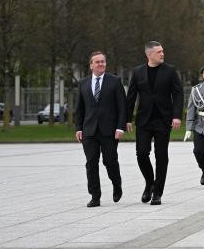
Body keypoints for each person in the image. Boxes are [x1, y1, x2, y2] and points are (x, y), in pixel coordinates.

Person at [126, 41, 184, 205]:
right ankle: (150, 183)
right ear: (149, 54)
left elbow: (178, 94)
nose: (162, 54)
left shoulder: (170, 71)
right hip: (144, 120)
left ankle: (157, 192)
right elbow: (131, 96)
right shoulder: (138, 72)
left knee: (161, 156)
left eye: (162, 51)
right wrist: (127, 118)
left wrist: (177, 116)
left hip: (163, 120)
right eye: (159, 52)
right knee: (142, 153)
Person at [74, 51, 127, 208]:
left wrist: (120, 127)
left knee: (109, 161)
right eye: (97, 62)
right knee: (91, 163)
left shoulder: (115, 81)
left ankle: (117, 185)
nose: (100, 64)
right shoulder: (83, 83)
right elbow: (79, 109)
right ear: (91, 65)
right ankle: (95, 196)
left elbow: (122, 107)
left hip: (109, 130)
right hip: (89, 131)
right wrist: (78, 128)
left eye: (103, 61)